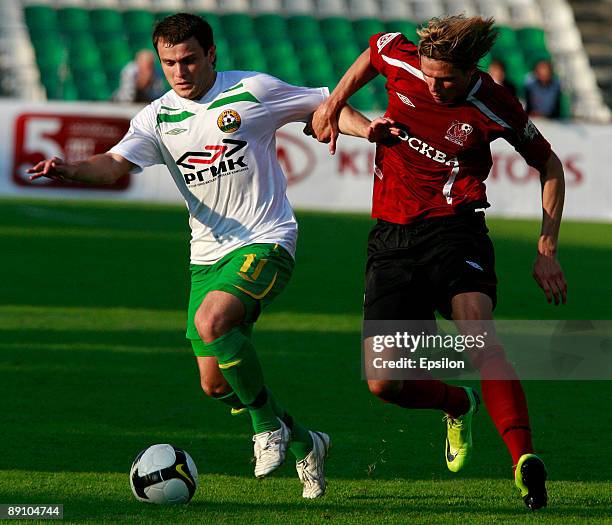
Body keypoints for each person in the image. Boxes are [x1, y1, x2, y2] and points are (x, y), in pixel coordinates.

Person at [28, 12, 392, 499]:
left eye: (189, 60)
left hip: (267, 239)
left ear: (211, 55)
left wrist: (367, 132)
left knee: (213, 321)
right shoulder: (156, 117)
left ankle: (267, 430)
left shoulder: (252, 91)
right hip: (206, 257)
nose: (179, 71)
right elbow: (115, 163)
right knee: (216, 385)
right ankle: (307, 443)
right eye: (169, 63)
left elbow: (322, 105)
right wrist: (69, 170)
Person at [312, 15, 567, 510]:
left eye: (445, 78)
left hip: (457, 230)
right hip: (391, 237)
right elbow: (373, 50)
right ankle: (457, 403)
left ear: (472, 70)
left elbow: (550, 166)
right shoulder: (403, 60)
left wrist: (546, 249)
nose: (432, 84)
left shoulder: (496, 104)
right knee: (385, 382)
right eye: (427, 74)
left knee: (478, 336)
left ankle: (524, 460)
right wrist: (334, 101)